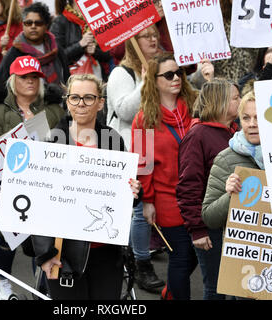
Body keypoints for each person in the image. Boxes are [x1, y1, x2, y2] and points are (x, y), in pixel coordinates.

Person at [30, 73, 142, 300]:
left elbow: (123, 196)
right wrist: (44, 254)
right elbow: (38, 203)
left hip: (106, 253)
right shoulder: (51, 141)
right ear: (67, 101)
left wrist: (133, 193)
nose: (81, 104)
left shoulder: (113, 140)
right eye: (75, 98)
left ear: (101, 102)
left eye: (89, 98)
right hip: (63, 254)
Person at [0, 55, 65, 300]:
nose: (30, 81)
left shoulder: (53, 109)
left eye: (34, 77)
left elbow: (64, 142)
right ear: (13, 80)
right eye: (24, 77)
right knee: (9, 239)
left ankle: (38, 289)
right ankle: (2, 283)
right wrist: (22, 143)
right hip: (10, 186)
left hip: (44, 185)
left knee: (41, 240)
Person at [131, 53, 198, 299]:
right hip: (167, 197)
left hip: (197, 195)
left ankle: (169, 292)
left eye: (178, 73)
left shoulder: (194, 106)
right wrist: (147, 202)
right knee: (180, 255)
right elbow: (143, 164)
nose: (175, 78)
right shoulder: (144, 118)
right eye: (168, 75)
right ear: (154, 80)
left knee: (194, 255)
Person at [106, 25, 165, 293]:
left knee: (146, 205)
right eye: (146, 36)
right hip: (129, 146)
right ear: (133, 43)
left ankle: (134, 256)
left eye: (155, 35)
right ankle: (139, 263)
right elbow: (124, 111)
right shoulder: (122, 72)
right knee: (137, 208)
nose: (154, 39)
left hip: (153, 143)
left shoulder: (162, 66)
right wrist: (144, 81)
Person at [177, 78, 240, 300]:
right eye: (235, 98)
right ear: (219, 102)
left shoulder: (235, 132)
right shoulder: (198, 136)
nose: (240, 102)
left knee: (233, 286)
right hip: (210, 227)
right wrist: (198, 229)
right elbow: (188, 186)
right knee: (216, 288)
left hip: (232, 223)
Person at [202, 91, 262, 229]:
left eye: (258, 118)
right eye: (246, 118)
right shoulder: (226, 159)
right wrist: (229, 196)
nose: (252, 124)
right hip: (246, 246)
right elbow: (209, 218)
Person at [0, 1, 69, 85]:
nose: (33, 26)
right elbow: (3, 85)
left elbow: (66, 77)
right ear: (23, 25)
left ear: (46, 25)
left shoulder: (56, 49)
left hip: (58, 96)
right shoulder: (14, 54)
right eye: (28, 23)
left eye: (38, 23)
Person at [50, 0, 111, 81]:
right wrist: (80, 45)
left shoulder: (97, 20)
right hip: (72, 79)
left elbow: (108, 55)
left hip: (97, 77)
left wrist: (95, 51)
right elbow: (57, 57)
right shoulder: (60, 22)